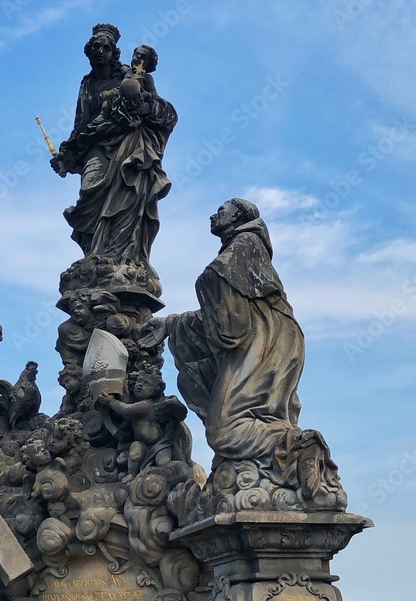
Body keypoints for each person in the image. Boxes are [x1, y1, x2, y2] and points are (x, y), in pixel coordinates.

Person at [140, 199, 343, 503]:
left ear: (239, 216)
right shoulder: (247, 249)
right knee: (256, 416)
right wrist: (171, 324)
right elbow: (230, 310)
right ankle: (282, 457)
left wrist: (190, 306)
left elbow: (230, 324)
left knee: (224, 428)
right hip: (274, 336)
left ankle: (297, 446)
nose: (213, 215)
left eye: (222, 210)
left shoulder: (244, 244)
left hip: (264, 341)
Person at [50, 24, 177, 264]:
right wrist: (66, 155)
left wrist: (143, 107)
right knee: (89, 193)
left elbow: (164, 110)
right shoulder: (87, 84)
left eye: (105, 48)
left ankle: (118, 258)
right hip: (96, 144)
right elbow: (81, 123)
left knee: (127, 196)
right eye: (95, 47)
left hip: (126, 145)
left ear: (114, 53)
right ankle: (94, 254)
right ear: (88, 51)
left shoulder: (130, 76)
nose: (100, 51)